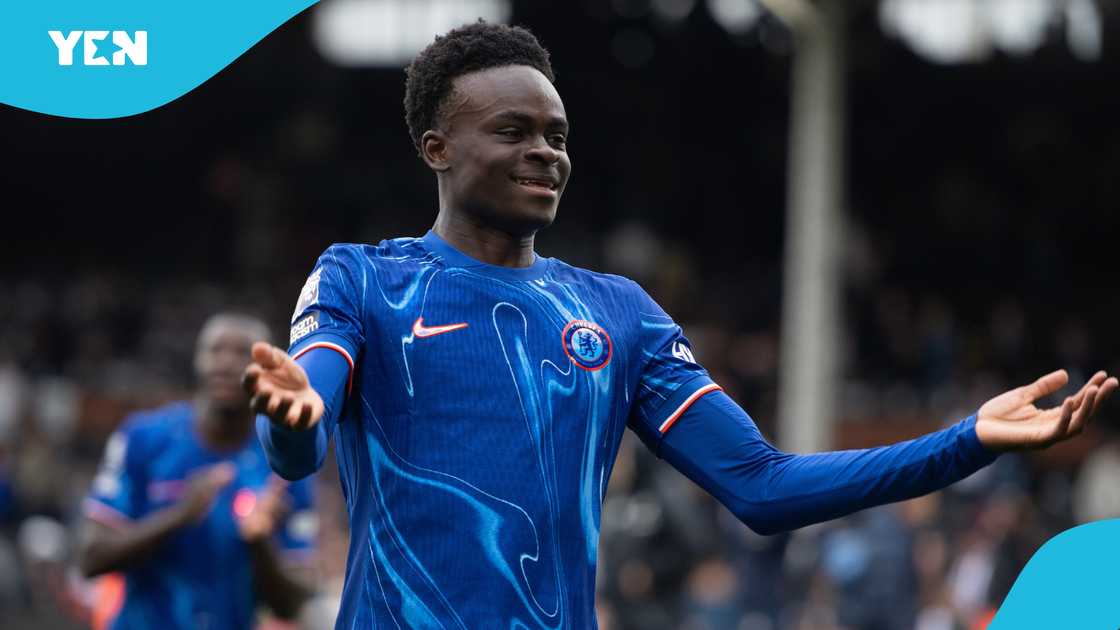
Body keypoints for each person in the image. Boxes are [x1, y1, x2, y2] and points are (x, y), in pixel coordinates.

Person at [243, 22, 1118, 628]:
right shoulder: (363, 277)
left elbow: (764, 489)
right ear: (436, 147)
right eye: (513, 130)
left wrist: (966, 441)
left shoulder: (617, 314)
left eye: (557, 133)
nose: (545, 152)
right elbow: (303, 428)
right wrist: (290, 422)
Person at [79, 313, 318, 630]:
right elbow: (91, 558)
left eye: (242, 353)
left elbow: (293, 604)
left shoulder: (286, 462)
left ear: (270, 367)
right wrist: (180, 515)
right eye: (215, 351)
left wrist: (260, 541)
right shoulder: (142, 438)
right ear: (197, 360)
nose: (226, 363)